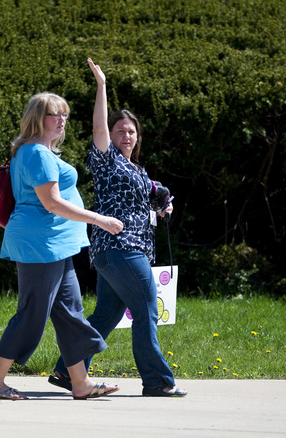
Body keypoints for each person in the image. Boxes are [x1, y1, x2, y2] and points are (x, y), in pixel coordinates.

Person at [49, 59, 187, 397]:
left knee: (106, 316)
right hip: (120, 247)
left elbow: (158, 196)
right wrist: (101, 86)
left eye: (132, 131)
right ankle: (157, 380)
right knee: (146, 311)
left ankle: (67, 372)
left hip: (120, 252)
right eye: (120, 130)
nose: (127, 134)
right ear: (110, 136)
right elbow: (98, 128)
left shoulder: (139, 171)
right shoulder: (107, 161)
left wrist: (163, 206)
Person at [0, 92, 123, 400]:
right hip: (40, 245)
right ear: (37, 118)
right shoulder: (37, 154)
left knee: (71, 311)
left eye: (64, 115)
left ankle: (81, 383)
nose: (61, 121)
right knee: (33, 312)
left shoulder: (37, 152)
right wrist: (99, 219)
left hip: (55, 245)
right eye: (53, 115)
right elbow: (53, 203)